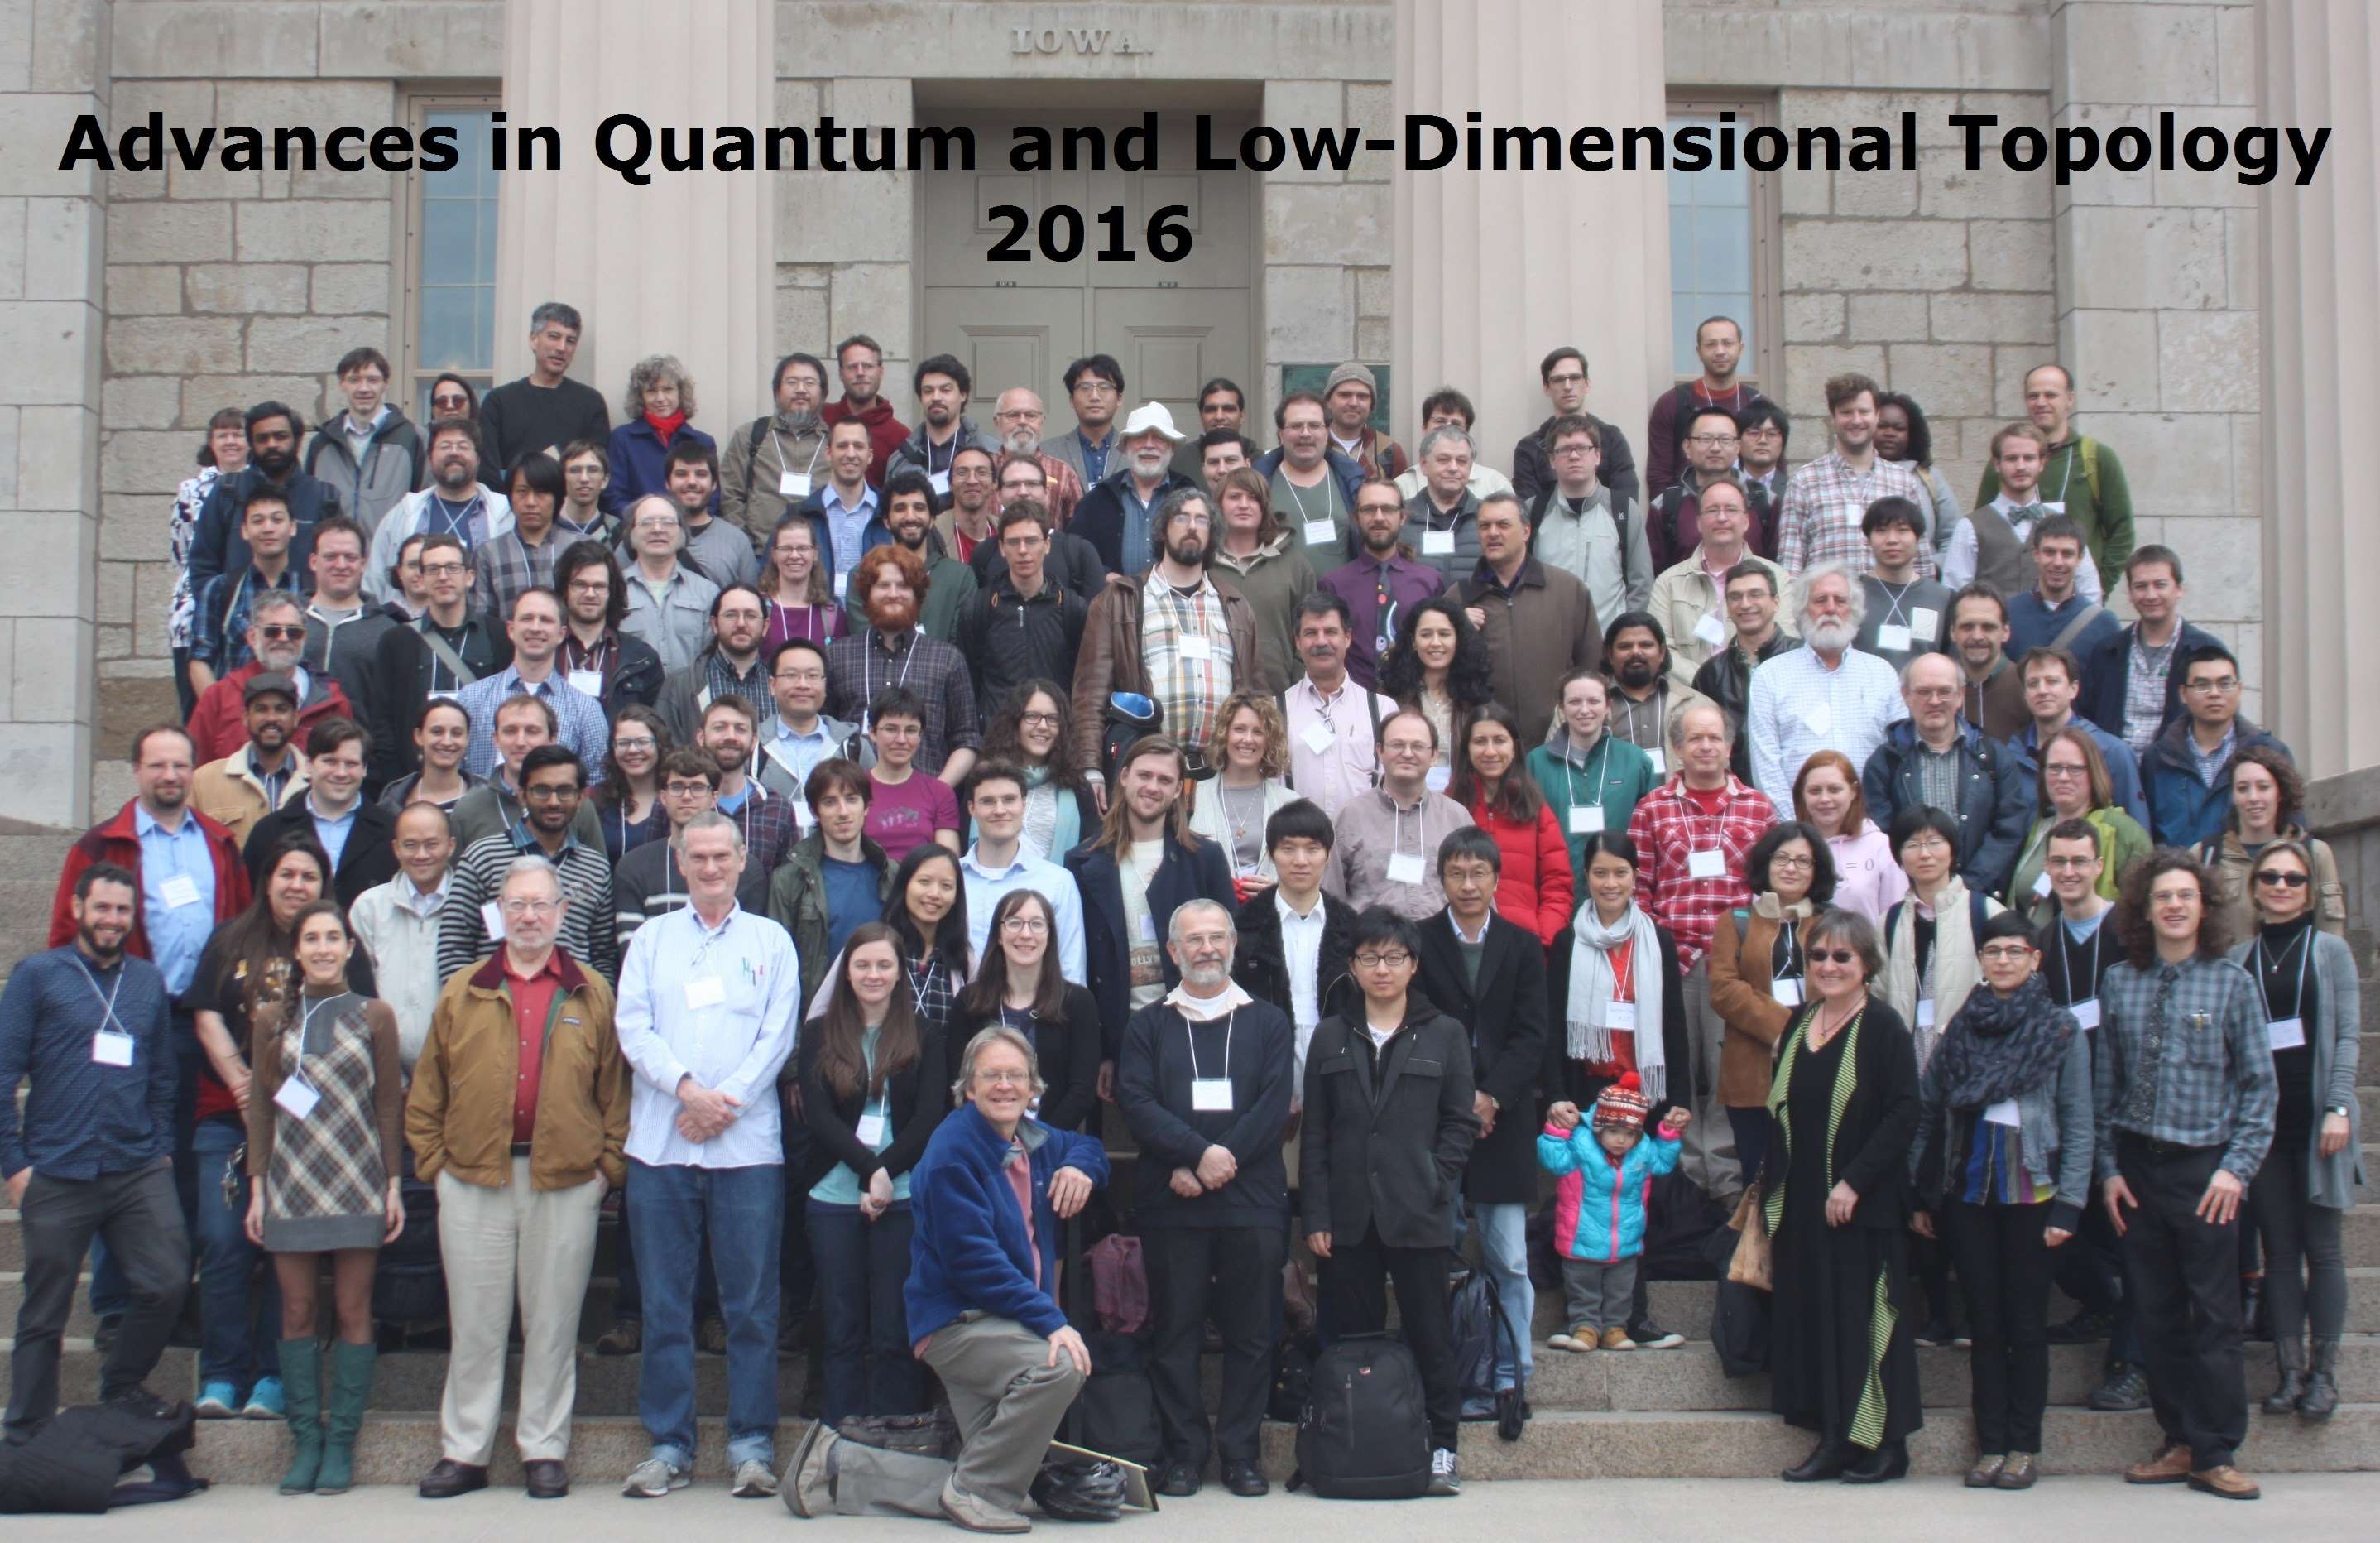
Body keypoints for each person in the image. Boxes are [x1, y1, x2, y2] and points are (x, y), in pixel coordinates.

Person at [780, 1025, 1106, 1531]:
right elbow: (975, 1264)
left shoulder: (1032, 1138)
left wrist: (1080, 1168)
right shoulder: (953, 1152)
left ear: (1033, 1088)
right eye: (991, 1076)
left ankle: (833, 1467)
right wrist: (1052, 1322)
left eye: (1016, 1075)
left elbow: (1087, 1147)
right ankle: (976, 1495)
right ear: (968, 1088)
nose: (1005, 1085)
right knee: (1060, 1367)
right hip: (960, 1324)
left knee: (989, 1465)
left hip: (1003, 1321)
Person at [406, 855, 626, 1502]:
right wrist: (436, 1166)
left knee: (553, 1323)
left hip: (564, 1182)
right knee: (475, 1324)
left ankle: (544, 1448)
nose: (529, 916)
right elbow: (427, 1090)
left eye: (541, 904)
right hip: (474, 1179)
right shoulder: (464, 990)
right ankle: (465, 1450)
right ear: (499, 913)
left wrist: (605, 1169)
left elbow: (617, 1093)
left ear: (562, 913)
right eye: (517, 905)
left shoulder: (591, 991)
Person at [613, 812, 802, 1500]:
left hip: (746, 1150)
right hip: (661, 1146)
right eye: (699, 857)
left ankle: (751, 1444)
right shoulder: (652, 940)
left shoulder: (771, 941)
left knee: (750, 1307)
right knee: (665, 1305)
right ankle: (668, 1445)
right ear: (679, 860)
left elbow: (778, 1035)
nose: (712, 867)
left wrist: (727, 1103)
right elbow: (633, 1027)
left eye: (723, 855)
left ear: (744, 860)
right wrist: (689, 1091)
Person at [2096, 849, 2273, 1501]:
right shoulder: (2120, 982)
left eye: (2186, 896)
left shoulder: (2232, 983)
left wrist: (2235, 1171)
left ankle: (2216, 1450)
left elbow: (2260, 1088)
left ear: (2205, 907)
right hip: (2138, 1172)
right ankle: (2178, 1441)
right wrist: (2108, 1170)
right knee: (2156, 1313)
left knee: (2215, 1315)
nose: (2174, 905)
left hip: (2206, 1173)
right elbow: (2105, 1084)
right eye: (2163, 897)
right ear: (2144, 911)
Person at [1, 864, 188, 1444]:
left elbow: (163, 1075)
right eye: (102, 907)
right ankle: (27, 1430)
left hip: (136, 1167)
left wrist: (160, 1147)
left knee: (167, 1281)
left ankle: (122, 1384)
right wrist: (14, 1164)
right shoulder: (37, 976)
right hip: (58, 1167)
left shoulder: (146, 981)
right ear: (78, 908)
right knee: (45, 1309)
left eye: (122, 910)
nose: (112, 919)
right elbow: (3, 1074)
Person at [1908, 911, 2094, 1491]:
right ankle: (1990, 1445)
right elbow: (1928, 1110)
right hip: (1968, 1191)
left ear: (2035, 960)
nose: (2004, 960)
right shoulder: (1963, 1027)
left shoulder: (2059, 1029)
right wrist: (1919, 1190)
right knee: (1985, 1323)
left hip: (2033, 1192)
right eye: (1994, 951)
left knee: (2026, 1324)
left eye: (2016, 951)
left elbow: (2079, 1121)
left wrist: (2070, 1204)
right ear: (1981, 960)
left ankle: (2023, 1446)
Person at [1116, 899, 1295, 1499]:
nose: (1207, 948)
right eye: (1194, 939)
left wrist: (1214, 1162)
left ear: (1234, 945)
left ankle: (1242, 1454)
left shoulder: (1268, 1021)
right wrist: (1196, 1155)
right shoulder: (1148, 1025)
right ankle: (1184, 1454)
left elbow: (1272, 1106)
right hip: (1173, 1203)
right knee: (1176, 1332)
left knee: (1252, 1333)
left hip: (1252, 1202)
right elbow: (1137, 1103)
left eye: (1218, 937)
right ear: (1172, 951)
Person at [1302, 906, 1478, 1495]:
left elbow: (1459, 1123)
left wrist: (1437, 1180)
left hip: (1418, 1210)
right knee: (1353, 1339)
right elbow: (1317, 1134)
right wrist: (1316, 1214)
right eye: (1371, 957)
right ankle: (1359, 1443)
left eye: (1395, 957)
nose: (1383, 969)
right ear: (1352, 966)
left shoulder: (1445, 1033)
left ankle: (1443, 1447)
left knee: (1430, 1335)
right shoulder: (1331, 1034)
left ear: (1413, 965)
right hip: (1348, 1216)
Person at [242, 899, 404, 1496]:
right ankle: (306, 1440)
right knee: (297, 1311)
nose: (323, 948)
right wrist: (257, 1188)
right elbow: (262, 1108)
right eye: (311, 938)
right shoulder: (270, 1019)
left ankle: (342, 1444)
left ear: (350, 947)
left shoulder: (375, 1015)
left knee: (354, 1310)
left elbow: (388, 1104)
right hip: (291, 1183)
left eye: (333, 938)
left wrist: (394, 1184)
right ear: (297, 950)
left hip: (358, 1180)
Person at [1761, 906, 1922, 1484]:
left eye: (1842, 956)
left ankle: (1887, 1446)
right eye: (1818, 956)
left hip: (1862, 1204)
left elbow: (1905, 1112)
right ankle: (1834, 1438)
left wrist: (1854, 1181)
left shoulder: (1882, 1027)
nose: (1828, 966)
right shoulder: (1800, 1022)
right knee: (1819, 1322)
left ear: (1866, 965)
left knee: (1865, 1321)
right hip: (1804, 1202)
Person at [1416, 829, 1549, 1418]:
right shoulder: (1420, 942)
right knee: (1436, 1254)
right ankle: (1445, 1369)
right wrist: (1459, 1101)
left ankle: (1514, 1373)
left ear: (1497, 879)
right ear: (1441, 879)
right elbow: (1416, 1025)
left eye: (1478, 874)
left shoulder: (1522, 946)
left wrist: (1493, 1096)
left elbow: (1532, 1033)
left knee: (1510, 1258)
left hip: (1505, 1119)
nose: (1468, 885)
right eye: (1456, 874)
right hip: (1435, 1120)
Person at [1624, 701, 1777, 1199]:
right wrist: (1655, 948)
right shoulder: (1652, 808)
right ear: (1677, 748)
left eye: (1714, 737)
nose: (1705, 746)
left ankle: (1727, 1181)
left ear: (1730, 747)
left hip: (1736, 965)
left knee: (1729, 1072)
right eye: (1695, 738)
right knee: (1680, 1073)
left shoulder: (1759, 808)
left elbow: (1771, 887)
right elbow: (1638, 887)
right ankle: (1687, 1178)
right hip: (1676, 960)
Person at [2230, 840, 2361, 1424]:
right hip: (2265, 1127)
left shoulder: (2331, 951)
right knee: (2279, 1253)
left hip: (2319, 1125)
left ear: (2309, 891)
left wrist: (2339, 1107)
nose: (2281, 887)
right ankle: (2288, 1373)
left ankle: (2324, 1376)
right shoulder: (2240, 958)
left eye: (2293, 879)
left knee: (2324, 1251)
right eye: (2271, 878)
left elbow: (2349, 1035)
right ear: (2255, 888)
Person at [799, 923, 947, 1428]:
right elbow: (819, 1117)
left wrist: (886, 1173)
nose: (873, 974)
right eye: (862, 965)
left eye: (884, 965)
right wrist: (870, 1172)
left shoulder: (924, 1034)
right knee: (841, 1329)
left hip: (903, 1196)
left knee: (893, 1329)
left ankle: (895, 1439)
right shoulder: (819, 1033)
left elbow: (929, 1118)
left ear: (901, 972)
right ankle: (838, 1440)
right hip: (834, 1196)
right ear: (846, 973)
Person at [1878, 804, 2008, 1345]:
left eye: (1934, 842)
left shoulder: (1984, 910)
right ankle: (1936, 1313)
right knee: (1918, 1190)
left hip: (1970, 1080)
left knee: (1965, 1196)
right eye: (1912, 844)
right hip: (1913, 1075)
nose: (1924, 853)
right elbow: (1882, 994)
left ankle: (1976, 1311)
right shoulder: (1893, 919)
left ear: (1953, 849)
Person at [2030, 818, 2145, 1411]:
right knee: (2057, 1230)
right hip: (2065, 1112)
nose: (2069, 872)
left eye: (2080, 861)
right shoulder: (2041, 942)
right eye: (2059, 862)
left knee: (2134, 1238)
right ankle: (2102, 1301)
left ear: (2100, 866)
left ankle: (2131, 1362)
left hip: (2127, 1108)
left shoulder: (2130, 933)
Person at [1066, 736, 1236, 1086]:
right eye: (1144, 775)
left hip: (1196, 1027)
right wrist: (1103, 1050)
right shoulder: (1082, 862)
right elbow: (1085, 961)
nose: (1152, 787)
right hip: (1122, 1034)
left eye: (1165, 780)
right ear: (1124, 776)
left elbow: (1231, 949)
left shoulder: (1204, 858)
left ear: (1177, 791)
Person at [1069, 488, 1260, 794]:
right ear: (1162, 529)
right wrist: (1091, 770)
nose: (1192, 526)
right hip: (1146, 776)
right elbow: (1090, 695)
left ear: (1212, 534)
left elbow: (1254, 694)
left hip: (1218, 775)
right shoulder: (1120, 600)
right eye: (1182, 517)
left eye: (1202, 520)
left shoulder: (1235, 605)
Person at [1707, 822, 1835, 1194]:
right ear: (1766, 864)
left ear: (1817, 871)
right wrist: (1783, 1027)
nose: (1791, 868)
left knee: (1812, 1178)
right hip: (1752, 1072)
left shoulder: (1831, 924)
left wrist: (1805, 1034)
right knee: (1760, 1179)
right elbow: (1724, 989)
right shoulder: (1736, 922)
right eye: (1782, 858)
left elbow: (1847, 987)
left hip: (1818, 1063)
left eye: (1803, 861)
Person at [439, 743, 620, 983]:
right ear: (523, 795)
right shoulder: (483, 857)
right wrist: (473, 1001)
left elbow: (604, 958)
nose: (554, 802)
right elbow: (453, 948)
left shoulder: (595, 868)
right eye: (542, 790)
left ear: (580, 798)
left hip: (570, 1002)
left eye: (565, 791)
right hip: (492, 1001)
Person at [1859, 652, 2030, 896]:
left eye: (1944, 691)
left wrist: (1967, 886)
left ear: (1960, 695)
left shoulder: (1993, 757)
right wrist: (1918, 886)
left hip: (1978, 898)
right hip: (1910, 898)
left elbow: (2010, 827)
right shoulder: (1885, 762)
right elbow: (1881, 834)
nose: (1935, 700)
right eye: (1924, 692)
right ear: (1906, 695)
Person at [1540, 1077, 1688, 1353]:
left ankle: (1614, 1329)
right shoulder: (1580, 1145)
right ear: (1599, 1128)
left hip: (1625, 1239)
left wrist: (1668, 1135)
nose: (1621, 1140)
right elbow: (1554, 1160)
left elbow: (1663, 1163)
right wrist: (1556, 1133)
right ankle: (1584, 1327)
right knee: (1583, 1288)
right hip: (1582, 1237)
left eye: (1630, 1134)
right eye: (1614, 1131)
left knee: (1621, 1291)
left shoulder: (1642, 1150)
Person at [1747, 562, 1909, 814]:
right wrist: (1795, 826)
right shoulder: (1770, 675)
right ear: (1803, 609)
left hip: (1869, 824)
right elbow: (1765, 765)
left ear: (1853, 610)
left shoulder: (1882, 674)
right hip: (1798, 824)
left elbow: (1900, 755)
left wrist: (1878, 823)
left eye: (1840, 601)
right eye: (1820, 600)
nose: (1830, 608)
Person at [1231, 800, 1359, 1113]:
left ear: (1328, 854)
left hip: (1338, 1060)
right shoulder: (1242, 928)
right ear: (1271, 854)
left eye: (1312, 849)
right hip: (1266, 1060)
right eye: (1288, 849)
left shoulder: (1353, 928)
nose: (1300, 861)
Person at [949, 889, 1102, 1134]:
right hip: (981, 1140)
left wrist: (1037, 1142)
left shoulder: (1077, 1003)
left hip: (1052, 1141)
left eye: (1037, 924)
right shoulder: (969, 1002)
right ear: (999, 935)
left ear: (1050, 936)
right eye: (1014, 923)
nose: (1026, 934)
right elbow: (958, 1081)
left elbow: (1082, 1091)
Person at [361, 532, 506, 786]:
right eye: (433, 569)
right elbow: (383, 721)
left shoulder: (499, 635)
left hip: (483, 780)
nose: (443, 576)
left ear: (469, 577)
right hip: (417, 779)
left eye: (452, 568)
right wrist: (400, 783)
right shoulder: (397, 641)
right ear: (422, 579)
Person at [826, 545, 979, 782]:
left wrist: (938, 792)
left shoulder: (947, 659)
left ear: (917, 595)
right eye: (883, 585)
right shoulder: (837, 656)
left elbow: (967, 739)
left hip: (925, 799)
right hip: (854, 798)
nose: (893, 593)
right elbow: (821, 732)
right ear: (867, 594)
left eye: (903, 586)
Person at [1461, 491, 1603, 747]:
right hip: (1488, 746)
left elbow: (1591, 666)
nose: (1493, 533)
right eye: (1484, 526)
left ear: (1526, 531)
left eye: (1503, 525)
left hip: (1558, 742)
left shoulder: (1567, 590)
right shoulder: (1459, 597)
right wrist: (1457, 630)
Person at [1972, 363, 2135, 576]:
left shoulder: (2098, 458)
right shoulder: (2005, 462)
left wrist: (2101, 585)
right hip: (2012, 589)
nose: (2041, 402)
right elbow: (1981, 526)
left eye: (2050, 395)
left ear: (2070, 399)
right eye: (2033, 396)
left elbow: (2122, 531)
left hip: (2077, 590)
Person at [185, 401, 346, 612]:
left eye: (280, 436)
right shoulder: (227, 492)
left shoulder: (323, 497)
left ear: (297, 440)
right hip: (238, 623)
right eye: (262, 438)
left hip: (304, 623)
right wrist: (220, 613)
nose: (272, 444)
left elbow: (338, 563)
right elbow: (202, 564)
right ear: (252, 443)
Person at [1324, 708, 1476, 920]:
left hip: (1440, 939)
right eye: (1397, 745)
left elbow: (1478, 891)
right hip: (1370, 939)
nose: (1407, 753)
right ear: (1379, 751)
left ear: (1434, 755)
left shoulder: (1456, 818)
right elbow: (1331, 896)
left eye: (1418, 746)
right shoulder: (1350, 817)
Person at [1648, 473, 1787, 694]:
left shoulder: (1778, 578)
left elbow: (1785, 644)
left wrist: (1739, 685)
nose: (1722, 518)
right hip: (1690, 698)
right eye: (1712, 510)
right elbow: (1660, 650)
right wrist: (1711, 681)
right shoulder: (1668, 583)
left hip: (1760, 693)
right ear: (1699, 522)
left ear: (1746, 521)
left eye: (1731, 509)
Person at [613, 748, 768, 946]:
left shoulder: (743, 867)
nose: (687, 796)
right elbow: (633, 949)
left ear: (714, 797)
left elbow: (748, 943)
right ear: (663, 797)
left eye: (697, 787)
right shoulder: (633, 867)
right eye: (677, 787)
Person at [1528, 667, 1663, 895]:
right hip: (1557, 892)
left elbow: (1651, 834)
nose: (1584, 710)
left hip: (1619, 893)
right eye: (1574, 702)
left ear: (1608, 706)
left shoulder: (1635, 761)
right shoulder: (1536, 762)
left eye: (1593, 701)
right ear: (1561, 707)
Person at [2079, 546, 2222, 760]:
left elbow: (2223, 719)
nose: (2151, 595)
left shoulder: (2206, 653)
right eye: (2141, 586)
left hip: (2176, 771)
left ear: (2179, 589)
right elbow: (2086, 717)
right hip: (2114, 771)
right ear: (2130, 593)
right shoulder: (2107, 652)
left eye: (2160, 585)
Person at [1777, 373, 1927, 576]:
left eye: (1864, 412)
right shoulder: (1804, 482)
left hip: (1889, 597)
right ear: (1833, 418)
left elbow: (1921, 560)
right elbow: (1790, 564)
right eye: (1847, 412)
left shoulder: (1903, 482)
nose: (1856, 420)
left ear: (1877, 415)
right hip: (1828, 596)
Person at [2146, 642, 2293, 848]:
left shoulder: (2269, 752)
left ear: (2239, 689)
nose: (2214, 693)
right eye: (2202, 685)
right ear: (2183, 694)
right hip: (2177, 867)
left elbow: (2292, 826)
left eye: (2225, 684)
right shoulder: (2159, 758)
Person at [190, 589, 360, 766]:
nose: (283, 638)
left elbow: (345, 769)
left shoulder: (332, 703)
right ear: (252, 637)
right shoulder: (218, 698)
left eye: (293, 632)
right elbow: (195, 769)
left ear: (304, 638)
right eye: (272, 631)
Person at [2194, 743, 2348, 939]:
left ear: (2280, 793)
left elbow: (2331, 939)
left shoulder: (2314, 854)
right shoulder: (2205, 855)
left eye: (2263, 787)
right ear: (2233, 796)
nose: (2253, 797)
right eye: (2242, 788)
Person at [455, 586, 611, 779]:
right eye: (527, 618)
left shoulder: (586, 710)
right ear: (511, 630)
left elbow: (596, 782)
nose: (536, 628)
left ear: (561, 634)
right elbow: (456, 773)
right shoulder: (472, 699)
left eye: (546, 620)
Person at [1451, 703, 1573, 948]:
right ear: (1467, 749)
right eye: (1480, 741)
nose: (1490, 751)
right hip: (1462, 944)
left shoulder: (1535, 808)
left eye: (1499, 740)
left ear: (1514, 747)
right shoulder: (1450, 805)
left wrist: (1542, 940)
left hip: (1523, 945)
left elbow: (1558, 884)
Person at [241, 717, 396, 909]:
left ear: (365, 769)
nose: (341, 773)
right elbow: (250, 904)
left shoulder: (391, 832)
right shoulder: (268, 832)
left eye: (351, 764)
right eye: (330, 761)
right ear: (308, 764)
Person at [953, 502, 1088, 719]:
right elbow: (967, 684)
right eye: (1014, 542)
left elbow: (1083, 683)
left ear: (1047, 545)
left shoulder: (1072, 608)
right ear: (1002, 548)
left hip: (1053, 732)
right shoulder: (979, 608)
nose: (1023, 550)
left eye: (1031, 541)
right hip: (997, 735)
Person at [348, 801, 454, 1075]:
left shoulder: (471, 905)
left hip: (455, 1069)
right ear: (395, 849)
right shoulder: (369, 907)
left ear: (450, 846)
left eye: (432, 844)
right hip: (384, 1070)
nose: (421, 855)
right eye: (410, 845)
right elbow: (356, 994)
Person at [361, 419, 516, 602]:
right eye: (445, 446)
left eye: (463, 446)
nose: (454, 452)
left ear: (478, 459)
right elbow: (375, 581)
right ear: (430, 458)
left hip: (484, 618)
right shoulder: (403, 514)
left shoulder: (505, 514)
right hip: (413, 618)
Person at [2006, 728, 2152, 921]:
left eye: (2074, 769)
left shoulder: (2124, 831)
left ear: (2094, 773)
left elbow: (2143, 909)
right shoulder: (2038, 827)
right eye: (2054, 768)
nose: (2063, 777)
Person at [2002, 642, 2149, 829]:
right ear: (2024, 693)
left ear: (2074, 689)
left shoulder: (2111, 752)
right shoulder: (2011, 756)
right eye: (2033, 684)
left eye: (2052, 681)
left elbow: (2136, 831)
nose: (2042, 691)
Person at [1320, 477, 1447, 690]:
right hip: (1354, 698)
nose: (1378, 517)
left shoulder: (1429, 581)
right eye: (1369, 509)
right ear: (1356, 517)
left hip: (1415, 696)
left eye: (1388, 509)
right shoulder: (1333, 585)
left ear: (1402, 517)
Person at [1528, 412, 1652, 622]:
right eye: (1564, 449)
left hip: (1608, 637)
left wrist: (1625, 633)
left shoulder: (1623, 510)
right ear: (1552, 460)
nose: (1574, 456)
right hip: (1550, 637)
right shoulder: (1534, 511)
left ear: (1598, 456)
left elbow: (1641, 583)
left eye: (1582, 448)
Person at [447, 693, 608, 853]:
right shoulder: (469, 808)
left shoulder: (575, 804)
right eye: (510, 731)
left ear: (552, 738)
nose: (520, 742)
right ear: (496, 739)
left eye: (532, 731)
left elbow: (596, 866)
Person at [1209, 465, 1320, 695]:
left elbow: (1311, 630)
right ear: (1218, 505)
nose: (1244, 504)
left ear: (1265, 507)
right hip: (1214, 692)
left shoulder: (1295, 565)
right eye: (1234, 497)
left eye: (1253, 498)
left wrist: (1297, 685)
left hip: (1280, 693)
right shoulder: (1202, 565)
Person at [172, 408, 254, 712]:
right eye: (222, 435)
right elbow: (181, 548)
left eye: (237, 434)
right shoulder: (190, 490)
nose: (230, 441)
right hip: (195, 604)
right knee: (196, 710)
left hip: (244, 597)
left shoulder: (259, 485)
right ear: (211, 443)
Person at [1691, 560, 1800, 784]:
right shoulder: (1711, 674)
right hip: (1736, 792)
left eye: (1755, 594)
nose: (1746, 604)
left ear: (1776, 602)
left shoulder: (1802, 658)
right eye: (1736, 597)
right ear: (1727, 607)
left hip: (1798, 786)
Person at [1378, 593, 1495, 791]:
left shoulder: (1475, 696)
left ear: (1458, 640)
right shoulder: (1390, 695)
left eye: (1444, 634)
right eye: (1426, 635)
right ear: (1413, 641)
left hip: (1462, 799)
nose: (1436, 643)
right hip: (1403, 796)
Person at [972, 683, 1100, 863]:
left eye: (1053, 719)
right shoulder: (984, 779)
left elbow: (1090, 854)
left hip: (1059, 880)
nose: (1043, 726)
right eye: (1032, 716)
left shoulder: (1078, 787)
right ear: (1014, 722)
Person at [1645, 314, 1768, 498]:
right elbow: (1659, 475)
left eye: (1728, 343)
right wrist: (1672, 511)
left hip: (1749, 508)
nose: (1720, 351)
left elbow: (1775, 470)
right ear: (1699, 351)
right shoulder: (1672, 403)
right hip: (1687, 507)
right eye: (1711, 344)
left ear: (1741, 349)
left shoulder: (1760, 405)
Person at [479, 302, 610, 473]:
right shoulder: (499, 402)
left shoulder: (591, 403)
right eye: (554, 337)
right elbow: (488, 472)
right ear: (533, 340)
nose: (562, 348)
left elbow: (597, 471)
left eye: (570, 341)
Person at [1189, 688, 1301, 886]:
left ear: (1269, 740)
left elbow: (1304, 872)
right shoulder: (1193, 796)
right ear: (1224, 734)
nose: (1248, 739)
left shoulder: (1291, 803)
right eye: (1239, 729)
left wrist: (1277, 889)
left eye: (1258, 731)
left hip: (1270, 904)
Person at [1071, 401, 1197, 576]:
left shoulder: (1190, 495)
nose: (1149, 445)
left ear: (1172, 447)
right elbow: (1074, 552)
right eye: (1140, 437)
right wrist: (1104, 576)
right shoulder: (1098, 499)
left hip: (1176, 594)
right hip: (1114, 594)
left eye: (1159, 438)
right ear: (1126, 446)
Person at [720, 352, 832, 548]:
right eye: (792, 382)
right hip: (760, 553)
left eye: (809, 383)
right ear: (776, 391)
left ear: (823, 393)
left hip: (819, 556)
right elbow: (730, 494)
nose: (801, 390)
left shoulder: (836, 442)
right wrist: (743, 544)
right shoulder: (751, 436)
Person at [1511, 345, 1640, 512]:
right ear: (1546, 387)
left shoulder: (1612, 438)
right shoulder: (1529, 448)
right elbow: (1527, 511)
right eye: (1558, 379)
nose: (1567, 386)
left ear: (1587, 384)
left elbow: (1626, 505)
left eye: (1575, 378)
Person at [1648, 406, 1773, 573]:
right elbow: (1653, 572)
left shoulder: (1765, 500)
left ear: (1738, 447)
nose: (1715, 448)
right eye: (1705, 439)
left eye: (1725, 439)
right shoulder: (1665, 505)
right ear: (1687, 447)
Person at [301, 513, 403, 718]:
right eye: (331, 557)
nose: (341, 565)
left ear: (363, 564)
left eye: (350, 557)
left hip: (361, 737)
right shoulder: (287, 622)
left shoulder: (387, 630)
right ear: (313, 562)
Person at [653, 583, 775, 747]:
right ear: (714, 624)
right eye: (731, 615)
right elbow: (665, 750)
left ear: (765, 626)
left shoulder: (782, 684)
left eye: (750, 615)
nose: (741, 623)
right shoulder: (681, 685)